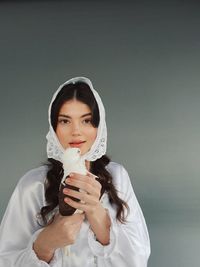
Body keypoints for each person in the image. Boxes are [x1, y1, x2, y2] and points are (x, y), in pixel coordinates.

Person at [0, 76, 151, 267]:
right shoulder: (33, 185)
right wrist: (45, 244)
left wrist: (98, 214)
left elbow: (137, 260)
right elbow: (6, 260)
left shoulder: (117, 177)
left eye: (86, 121)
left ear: (99, 125)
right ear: (54, 127)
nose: (76, 131)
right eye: (65, 121)